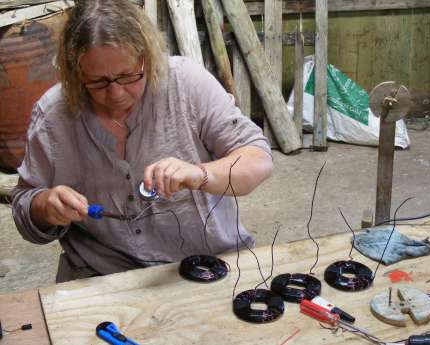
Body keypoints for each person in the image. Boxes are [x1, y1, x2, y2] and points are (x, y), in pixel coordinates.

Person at [11, 0, 272, 283]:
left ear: (147, 57)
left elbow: (258, 160)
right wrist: (45, 206)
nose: (116, 94)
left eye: (128, 76)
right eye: (98, 82)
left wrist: (202, 174)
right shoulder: (53, 116)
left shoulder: (187, 84)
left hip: (207, 264)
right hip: (102, 272)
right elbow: (25, 207)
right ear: (75, 73)